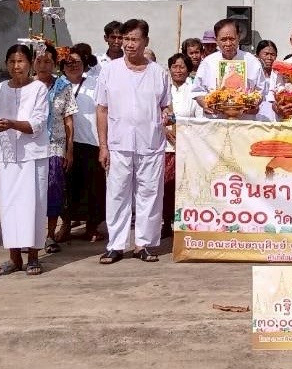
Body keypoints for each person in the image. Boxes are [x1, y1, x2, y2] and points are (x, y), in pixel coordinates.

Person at [97, 19, 173, 264]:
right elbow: (102, 109)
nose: (129, 44)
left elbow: (166, 106)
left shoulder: (158, 73)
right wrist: (103, 146)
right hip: (118, 144)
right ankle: (116, 245)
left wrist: (168, 117)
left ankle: (144, 244)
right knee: (117, 194)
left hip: (150, 143)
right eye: (126, 39)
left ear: (145, 41)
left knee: (149, 194)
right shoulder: (110, 70)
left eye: (134, 39)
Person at [0, 44, 50, 276]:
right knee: (10, 206)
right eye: (12, 62)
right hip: (8, 157)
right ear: (6, 64)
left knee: (34, 206)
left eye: (21, 61)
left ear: (30, 63)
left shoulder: (38, 88)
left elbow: (37, 123)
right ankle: (14, 257)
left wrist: (12, 124)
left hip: (33, 156)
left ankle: (33, 256)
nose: (16, 66)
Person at [33, 44, 77, 253]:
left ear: (55, 64)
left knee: (53, 188)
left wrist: (69, 149)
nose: (43, 66)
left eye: (48, 61)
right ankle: (31, 235)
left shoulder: (63, 86)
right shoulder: (26, 86)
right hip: (31, 145)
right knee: (32, 192)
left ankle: (50, 235)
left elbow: (68, 120)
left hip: (55, 145)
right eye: (39, 61)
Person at [60, 44, 105, 242]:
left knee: (93, 186)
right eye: (68, 62)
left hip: (91, 141)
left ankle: (92, 226)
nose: (73, 65)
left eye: (77, 62)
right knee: (67, 187)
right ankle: (66, 224)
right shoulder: (57, 84)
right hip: (65, 144)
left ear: (84, 63)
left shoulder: (95, 83)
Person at [193, 18, 267, 119]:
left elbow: (260, 91)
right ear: (216, 40)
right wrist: (205, 104)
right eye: (223, 40)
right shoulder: (208, 63)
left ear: (239, 37)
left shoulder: (252, 61)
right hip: (216, 120)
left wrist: (254, 104)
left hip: (244, 120)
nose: (228, 44)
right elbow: (198, 91)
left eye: (232, 39)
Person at [165, 53, 202, 236]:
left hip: (187, 145)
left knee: (185, 186)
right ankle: (165, 222)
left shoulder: (194, 89)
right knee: (166, 186)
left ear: (188, 69)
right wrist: (165, 130)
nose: (178, 70)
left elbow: (199, 118)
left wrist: (182, 132)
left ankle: (183, 222)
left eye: (182, 67)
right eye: (174, 66)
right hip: (165, 145)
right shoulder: (164, 88)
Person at [254, 40, 279, 122]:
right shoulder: (253, 75)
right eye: (266, 54)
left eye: (272, 54)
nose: (269, 58)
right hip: (257, 116)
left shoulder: (279, 75)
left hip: (275, 117)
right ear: (257, 55)